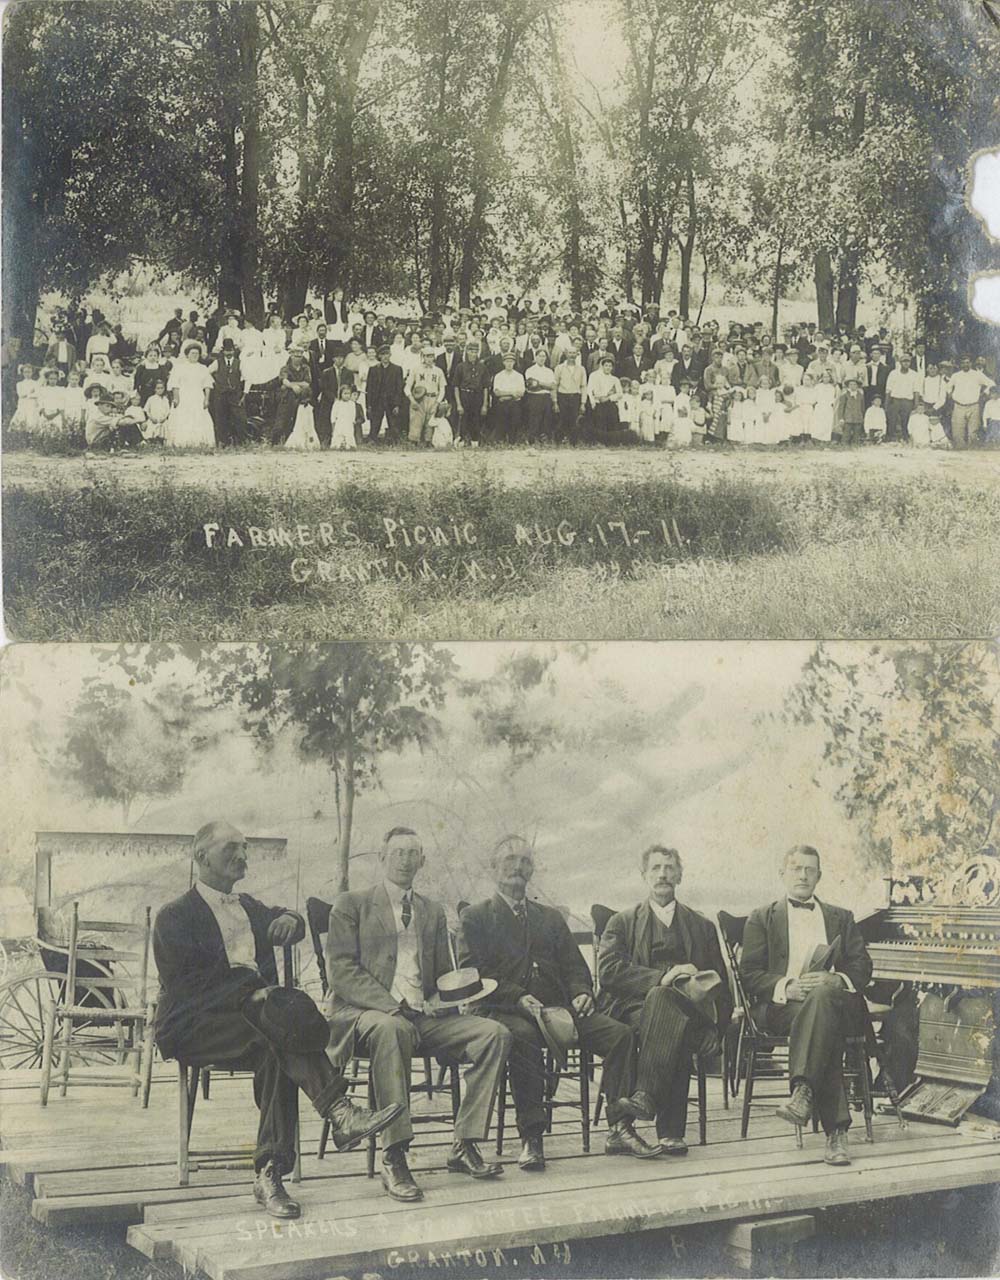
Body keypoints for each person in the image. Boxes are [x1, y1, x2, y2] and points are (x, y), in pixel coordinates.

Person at [153, 821, 401, 1220]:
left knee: (276, 1045)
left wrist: (291, 919)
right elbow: (186, 989)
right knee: (278, 1031)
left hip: (254, 1025)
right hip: (194, 1025)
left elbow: (289, 919)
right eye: (231, 849)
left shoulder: (248, 906)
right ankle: (339, 1111)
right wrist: (251, 992)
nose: (242, 855)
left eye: (245, 848)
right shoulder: (175, 916)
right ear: (201, 857)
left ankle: (270, 1172)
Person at [325, 826, 511, 1202]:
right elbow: (341, 971)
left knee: (494, 1033)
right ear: (382, 858)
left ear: (422, 861)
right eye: (398, 852)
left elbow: (442, 975)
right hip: (365, 1014)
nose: (405, 860)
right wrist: (393, 1007)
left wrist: (442, 999)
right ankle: (394, 1157)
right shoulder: (352, 904)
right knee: (393, 1029)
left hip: (421, 1017)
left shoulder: (431, 911)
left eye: (413, 854)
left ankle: (465, 1144)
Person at [458, 836, 651, 1173]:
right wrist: (517, 996)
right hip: (503, 1010)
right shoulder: (476, 917)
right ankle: (532, 1137)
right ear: (493, 868)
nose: (518, 867)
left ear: (532, 870)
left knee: (619, 1035)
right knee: (522, 1037)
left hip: (558, 1010)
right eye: (509, 860)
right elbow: (474, 974)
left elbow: (575, 966)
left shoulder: (549, 917)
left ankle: (620, 1127)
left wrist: (581, 992)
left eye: (525, 861)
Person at [740, 845, 873, 1168]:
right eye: (796, 868)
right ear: (782, 874)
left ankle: (803, 1091)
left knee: (823, 1001)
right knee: (823, 1023)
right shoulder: (761, 917)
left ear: (819, 876)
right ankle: (836, 1133)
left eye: (809, 870)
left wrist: (836, 980)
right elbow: (749, 975)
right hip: (784, 1008)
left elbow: (862, 967)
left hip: (836, 1004)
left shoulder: (842, 917)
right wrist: (786, 986)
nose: (803, 875)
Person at [597, 846, 732, 1155]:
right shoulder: (622, 922)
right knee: (664, 1002)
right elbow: (608, 972)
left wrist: (717, 1030)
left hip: (691, 1011)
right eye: (656, 868)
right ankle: (671, 1132)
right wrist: (662, 977)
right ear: (644, 875)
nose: (663, 874)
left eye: (669, 868)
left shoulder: (702, 926)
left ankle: (645, 1096)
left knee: (674, 1016)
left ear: (680, 875)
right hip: (634, 1010)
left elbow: (721, 986)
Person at [166, 342, 217, 448]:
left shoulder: (203, 368)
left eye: (197, 354)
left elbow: (207, 385)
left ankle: (199, 442)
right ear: (187, 354)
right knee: (183, 418)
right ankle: (182, 442)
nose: (195, 355)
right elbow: (175, 384)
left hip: (197, 395)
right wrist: (176, 398)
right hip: (184, 395)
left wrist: (206, 399)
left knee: (199, 418)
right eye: (192, 353)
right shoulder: (179, 367)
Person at [209, 339, 248, 447]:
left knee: (240, 418)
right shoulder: (217, 362)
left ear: (234, 351)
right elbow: (206, 373)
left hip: (235, 395)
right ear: (223, 351)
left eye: (231, 350)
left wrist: (245, 394)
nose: (229, 353)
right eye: (226, 351)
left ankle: (241, 442)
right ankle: (223, 442)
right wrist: (215, 383)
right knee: (221, 418)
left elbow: (247, 378)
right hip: (221, 395)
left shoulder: (239, 363)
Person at [270, 349, 313, 446]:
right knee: (281, 422)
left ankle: (291, 443)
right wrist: (293, 387)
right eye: (295, 356)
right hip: (286, 398)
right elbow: (284, 381)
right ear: (291, 356)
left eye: (300, 356)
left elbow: (307, 383)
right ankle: (274, 443)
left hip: (301, 399)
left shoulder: (305, 368)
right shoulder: (285, 368)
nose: (298, 358)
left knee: (297, 422)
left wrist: (292, 384)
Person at [406, 347, 447, 446]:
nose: (429, 359)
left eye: (431, 356)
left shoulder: (438, 371)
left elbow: (442, 389)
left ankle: (428, 442)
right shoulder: (416, 369)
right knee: (416, 421)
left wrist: (437, 403)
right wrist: (412, 400)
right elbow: (407, 387)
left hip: (433, 398)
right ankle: (413, 441)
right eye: (427, 356)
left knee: (430, 421)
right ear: (423, 357)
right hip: (419, 399)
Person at [948, 355, 992, 448]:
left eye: (967, 362)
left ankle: (972, 453)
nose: (965, 365)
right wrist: (950, 393)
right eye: (963, 363)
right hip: (959, 406)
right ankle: (960, 452)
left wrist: (984, 393)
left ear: (971, 363)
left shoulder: (977, 375)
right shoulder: (956, 375)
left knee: (973, 433)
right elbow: (948, 387)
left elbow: (991, 384)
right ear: (960, 364)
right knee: (957, 433)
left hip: (973, 406)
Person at [366, 345, 406, 443]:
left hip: (391, 401)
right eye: (382, 354)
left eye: (387, 354)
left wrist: (397, 404)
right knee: (375, 422)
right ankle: (373, 439)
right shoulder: (373, 369)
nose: (385, 357)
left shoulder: (397, 369)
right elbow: (369, 388)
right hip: (377, 400)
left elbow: (399, 389)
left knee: (393, 423)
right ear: (379, 356)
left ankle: (394, 441)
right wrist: (369, 404)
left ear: (390, 355)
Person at [454, 343, 489, 445]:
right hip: (464, 395)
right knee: (464, 419)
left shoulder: (482, 367)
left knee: (476, 420)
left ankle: (475, 442)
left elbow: (486, 387)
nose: (473, 354)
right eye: (471, 351)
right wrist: (459, 404)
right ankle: (462, 441)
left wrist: (485, 405)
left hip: (477, 396)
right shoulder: (460, 367)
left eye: (475, 352)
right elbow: (456, 386)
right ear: (467, 352)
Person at [884, 353, 921, 441]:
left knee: (906, 421)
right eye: (904, 361)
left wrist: (916, 405)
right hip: (895, 400)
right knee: (892, 420)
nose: (906, 363)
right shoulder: (893, 373)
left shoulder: (914, 374)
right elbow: (888, 390)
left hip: (907, 401)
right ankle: (891, 438)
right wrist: (886, 404)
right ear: (900, 362)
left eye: (908, 361)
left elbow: (916, 391)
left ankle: (905, 438)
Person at [491, 351, 525, 443]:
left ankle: (512, 442)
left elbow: (521, 393)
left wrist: (505, 395)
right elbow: (497, 392)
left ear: (514, 363)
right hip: (502, 404)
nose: (509, 364)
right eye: (507, 361)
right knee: (501, 423)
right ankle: (501, 441)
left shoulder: (519, 376)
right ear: (503, 363)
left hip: (515, 404)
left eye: (511, 361)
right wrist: (512, 393)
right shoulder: (498, 376)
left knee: (514, 423)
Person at [523, 347, 556, 441]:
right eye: (540, 356)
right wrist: (545, 385)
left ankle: (543, 438)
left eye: (544, 356)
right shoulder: (530, 370)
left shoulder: (549, 371)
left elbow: (552, 386)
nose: (542, 358)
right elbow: (531, 385)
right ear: (536, 357)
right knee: (534, 418)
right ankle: (532, 438)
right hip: (534, 397)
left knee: (546, 417)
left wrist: (539, 383)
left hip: (546, 397)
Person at [554, 349, 587, 442]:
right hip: (562, 396)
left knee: (574, 419)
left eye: (574, 353)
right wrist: (555, 401)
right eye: (570, 353)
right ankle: (560, 440)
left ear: (577, 354)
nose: (572, 355)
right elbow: (555, 385)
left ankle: (573, 441)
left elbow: (583, 386)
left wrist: (583, 403)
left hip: (575, 397)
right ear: (566, 354)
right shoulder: (559, 368)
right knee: (562, 419)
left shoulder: (581, 369)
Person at [329, 383, 359, 450]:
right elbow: (333, 414)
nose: (347, 396)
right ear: (341, 394)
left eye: (348, 394)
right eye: (345, 393)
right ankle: (338, 445)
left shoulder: (352, 404)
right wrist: (333, 422)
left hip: (348, 422)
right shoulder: (337, 403)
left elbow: (353, 413)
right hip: (340, 422)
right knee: (339, 433)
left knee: (349, 433)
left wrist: (352, 421)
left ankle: (349, 445)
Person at [10, 364, 40, 432]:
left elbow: (37, 394)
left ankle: (30, 431)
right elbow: (20, 394)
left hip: (32, 403)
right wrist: (30, 392)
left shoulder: (36, 383)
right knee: (21, 417)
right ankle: (22, 432)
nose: (27, 374)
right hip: (23, 403)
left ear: (32, 372)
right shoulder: (19, 384)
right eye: (25, 372)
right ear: (23, 373)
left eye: (29, 372)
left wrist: (28, 395)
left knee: (31, 418)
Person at [143, 378, 172, 443]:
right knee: (152, 429)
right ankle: (152, 440)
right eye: (158, 388)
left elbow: (168, 410)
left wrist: (164, 418)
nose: (160, 390)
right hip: (153, 419)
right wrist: (151, 418)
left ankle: (161, 441)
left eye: (162, 388)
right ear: (154, 389)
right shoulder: (151, 398)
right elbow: (147, 410)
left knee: (164, 428)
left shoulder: (165, 399)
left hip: (162, 419)